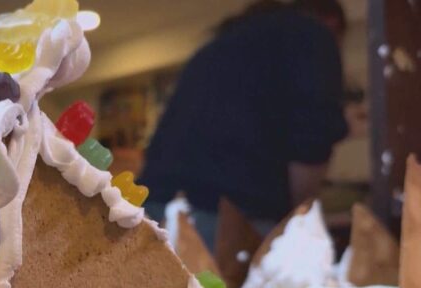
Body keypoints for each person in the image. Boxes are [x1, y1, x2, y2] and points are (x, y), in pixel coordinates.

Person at [140, 0, 349, 250]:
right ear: (332, 23)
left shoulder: (214, 48)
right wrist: (301, 221)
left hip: (151, 209)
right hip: (227, 221)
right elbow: (312, 142)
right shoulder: (311, 35)